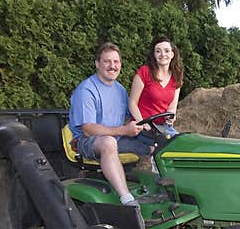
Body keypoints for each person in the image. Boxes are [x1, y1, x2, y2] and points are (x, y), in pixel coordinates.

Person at [69, 42, 150, 207]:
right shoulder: (87, 90)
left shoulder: (120, 90)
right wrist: (124, 130)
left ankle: (162, 192)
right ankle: (127, 199)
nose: (112, 66)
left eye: (116, 62)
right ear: (97, 64)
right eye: (107, 61)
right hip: (87, 142)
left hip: (118, 138)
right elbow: (88, 129)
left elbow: (131, 116)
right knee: (108, 142)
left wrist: (147, 124)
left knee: (156, 144)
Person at [128, 36, 184, 145]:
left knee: (181, 143)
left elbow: (172, 108)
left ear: (172, 54)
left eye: (167, 51)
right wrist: (143, 123)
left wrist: (171, 117)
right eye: (158, 51)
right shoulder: (144, 72)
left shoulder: (176, 77)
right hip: (143, 126)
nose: (163, 54)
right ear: (154, 55)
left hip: (162, 127)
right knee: (164, 146)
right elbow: (132, 103)